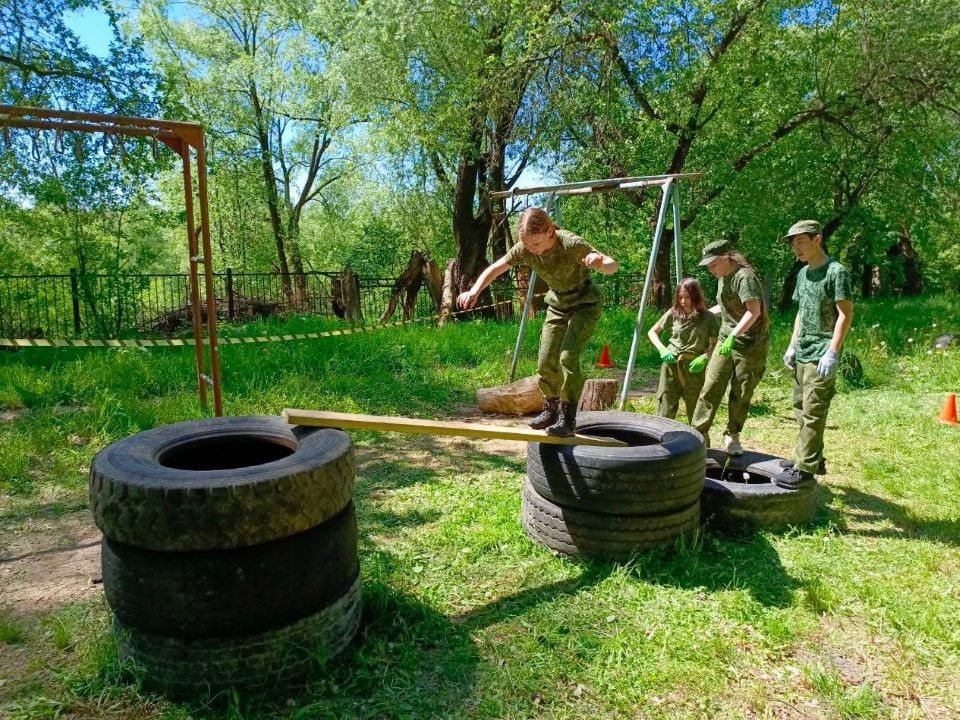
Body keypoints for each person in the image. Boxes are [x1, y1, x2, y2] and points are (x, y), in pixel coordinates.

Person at [457, 207, 619, 437]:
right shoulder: (525, 248)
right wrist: (474, 290)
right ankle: (551, 408)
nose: (531, 251)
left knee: (567, 357)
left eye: (535, 244)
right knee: (545, 359)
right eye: (527, 246)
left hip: (585, 304)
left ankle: (568, 417)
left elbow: (613, 266)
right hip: (558, 303)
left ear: (549, 231)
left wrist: (600, 262)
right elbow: (496, 267)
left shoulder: (570, 243)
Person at [780, 220, 853, 487]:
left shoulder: (836, 272)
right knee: (800, 407)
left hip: (822, 350)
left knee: (814, 409)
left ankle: (804, 469)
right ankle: (811, 456)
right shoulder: (802, 274)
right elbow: (801, 312)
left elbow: (845, 314)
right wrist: (792, 344)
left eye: (800, 241)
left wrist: (832, 352)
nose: (795, 248)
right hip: (803, 349)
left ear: (816, 240)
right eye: (792, 243)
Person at [689, 238, 769, 453]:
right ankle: (698, 434)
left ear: (726, 258)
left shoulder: (745, 277)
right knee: (711, 385)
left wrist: (734, 335)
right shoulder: (722, 277)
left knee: (741, 391)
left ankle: (732, 435)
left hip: (751, 343)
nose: (710, 269)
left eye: (713, 264)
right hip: (726, 338)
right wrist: (703, 314)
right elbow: (725, 308)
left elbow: (754, 312)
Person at [647, 277, 720, 423]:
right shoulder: (673, 313)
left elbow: (717, 343)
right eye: (680, 297)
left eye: (687, 297)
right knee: (665, 408)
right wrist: (662, 349)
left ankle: (699, 444)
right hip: (671, 366)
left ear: (695, 296)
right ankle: (663, 443)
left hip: (695, 369)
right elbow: (652, 332)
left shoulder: (708, 318)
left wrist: (705, 357)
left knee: (697, 412)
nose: (683, 301)